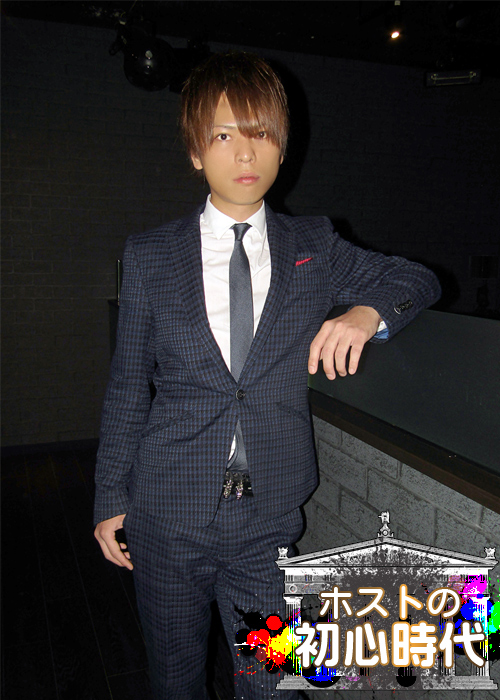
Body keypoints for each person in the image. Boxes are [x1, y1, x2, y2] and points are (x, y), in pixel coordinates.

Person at [94, 51, 441, 700]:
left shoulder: (314, 246)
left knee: (272, 679)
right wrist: (110, 494)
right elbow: (127, 386)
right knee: (175, 679)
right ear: (196, 151)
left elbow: (417, 279)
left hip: (267, 522)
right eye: (224, 135)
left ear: (283, 149)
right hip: (165, 515)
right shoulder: (149, 256)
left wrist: (366, 314)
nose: (245, 153)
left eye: (261, 134)